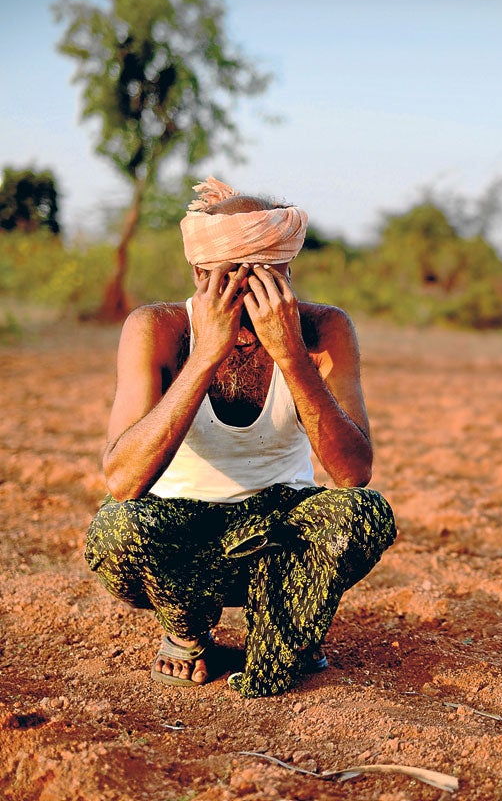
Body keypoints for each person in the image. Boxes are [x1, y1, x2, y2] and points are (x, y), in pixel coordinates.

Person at [85, 177, 396, 698]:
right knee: (118, 529)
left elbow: (352, 473)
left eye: (266, 278)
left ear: (288, 274)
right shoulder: (157, 328)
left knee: (365, 511)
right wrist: (206, 354)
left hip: (282, 531)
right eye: (232, 278)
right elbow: (123, 479)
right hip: (183, 535)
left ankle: (282, 625)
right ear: (199, 274)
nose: (250, 295)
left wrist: (292, 355)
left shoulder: (323, 329)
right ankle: (187, 633)